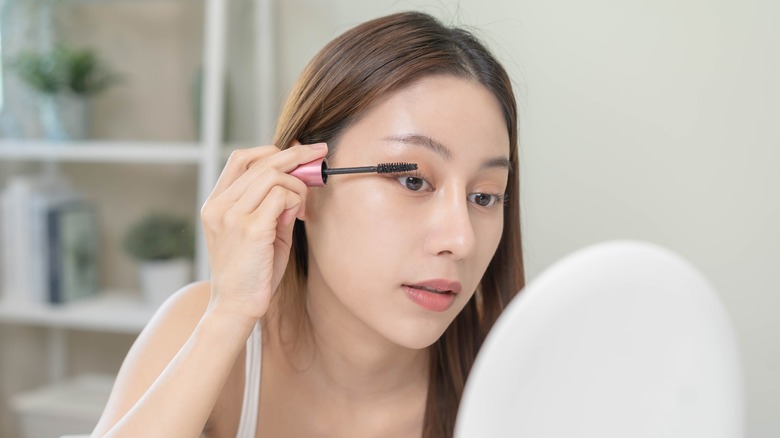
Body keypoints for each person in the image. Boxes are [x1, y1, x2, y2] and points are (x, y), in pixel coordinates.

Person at [91, 10, 524, 438]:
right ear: (304, 177)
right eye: (413, 181)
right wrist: (230, 314)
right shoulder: (202, 330)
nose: (460, 239)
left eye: (483, 196)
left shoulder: (518, 376)